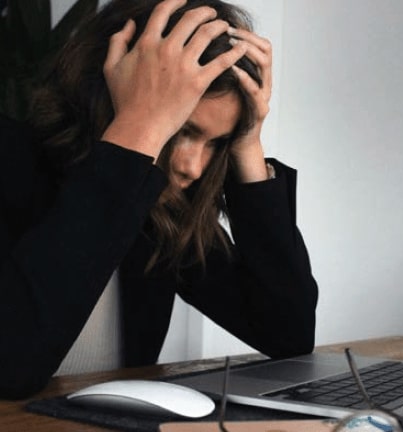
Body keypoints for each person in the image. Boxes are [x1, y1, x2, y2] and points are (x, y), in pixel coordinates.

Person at [0, 0, 318, 399]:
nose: (193, 168)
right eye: (180, 128)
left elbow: (287, 332)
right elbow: (12, 367)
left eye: (216, 142)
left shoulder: (158, 211)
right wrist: (139, 128)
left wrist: (248, 143)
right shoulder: (11, 160)